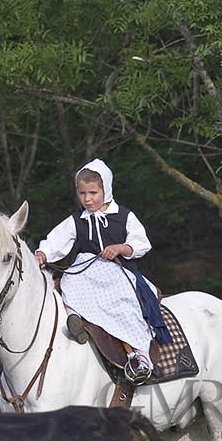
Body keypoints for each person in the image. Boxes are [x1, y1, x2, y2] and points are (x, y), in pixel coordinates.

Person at [33, 158, 158, 383]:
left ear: (105, 190)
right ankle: (75, 319)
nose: (88, 199)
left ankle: (139, 354)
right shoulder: (77, 220)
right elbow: (56, 240)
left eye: (93, 193)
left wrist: (121, 248)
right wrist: (43, 254)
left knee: (123, 299)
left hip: (118, 270)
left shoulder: (124, 216)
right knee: (67, 284)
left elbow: (142, 243)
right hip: (86, 269)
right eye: (82, 194)